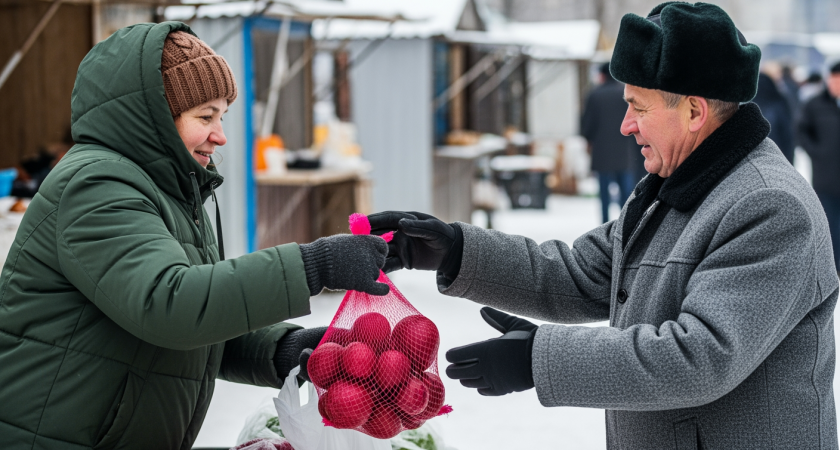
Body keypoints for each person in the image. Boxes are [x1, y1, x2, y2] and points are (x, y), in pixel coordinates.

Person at [369, 3, 837, 448]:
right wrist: (455, 251)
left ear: (694, 112)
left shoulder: (769, 207)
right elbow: (581, 273)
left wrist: (537, 359)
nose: (625, 125)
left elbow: (701, 356)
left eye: (639, 107)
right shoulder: (673, 185)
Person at [0, 23, 388, 449]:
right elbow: (169, 304)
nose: (220, 135)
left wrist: (284, 349)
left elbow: (198, 321)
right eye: (205, 116)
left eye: (221, 116)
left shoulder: (168, 190)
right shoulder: (96, 185)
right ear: (154, 115)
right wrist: (314, 265)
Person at [581, 62, 641, 223]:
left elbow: (587, 125)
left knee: (604, 195)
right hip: (624, 152)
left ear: (601, 75)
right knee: (626, 193)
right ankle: (625, 224)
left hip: (602, 153)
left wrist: (588, 140)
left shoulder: (594, 95)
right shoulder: (625, 94)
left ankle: (605, 225)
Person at [799, 60, 840, 276]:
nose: (836, 84)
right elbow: (801, 131)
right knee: (828, 224)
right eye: (834, 79)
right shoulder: (815, 105)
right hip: (826, 177)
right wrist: (817, 152)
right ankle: (830, 268)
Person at [753, 72, 795, 163]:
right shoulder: (780, 102)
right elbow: (787, 134)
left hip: (754, 160)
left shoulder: (748, 106)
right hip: (778, 156)